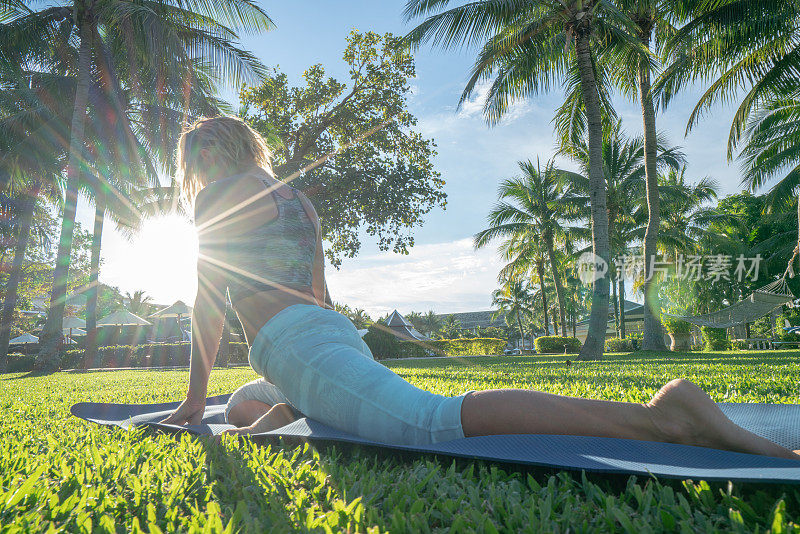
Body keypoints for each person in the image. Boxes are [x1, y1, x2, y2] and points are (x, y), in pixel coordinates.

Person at [162, 116, 800, 460]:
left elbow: (207, 301)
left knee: (431, 422)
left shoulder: (217, 196)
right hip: (327, 340)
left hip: (300, 347)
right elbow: (320, 294)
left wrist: (194, 399)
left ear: (202, 162)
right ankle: (298, 404)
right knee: (247, 403)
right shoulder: (296, 199)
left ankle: (666, 419)